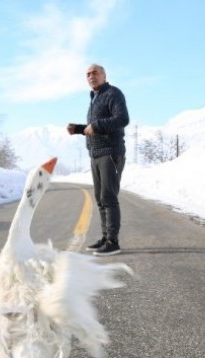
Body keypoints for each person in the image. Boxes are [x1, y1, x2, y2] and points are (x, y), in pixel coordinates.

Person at [67, 63, 130, 256]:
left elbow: (122, 119)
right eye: (88, 74)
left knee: (109, 197)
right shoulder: (95, 98)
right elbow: (92, 127)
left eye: (95, 73)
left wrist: (97, 126)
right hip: (95, 154)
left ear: (104, 75)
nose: (91, 76)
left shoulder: (113, 93)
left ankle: (113, 242)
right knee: (100, 198)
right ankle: (105, 237)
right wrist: (78, 129)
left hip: (111, 152)